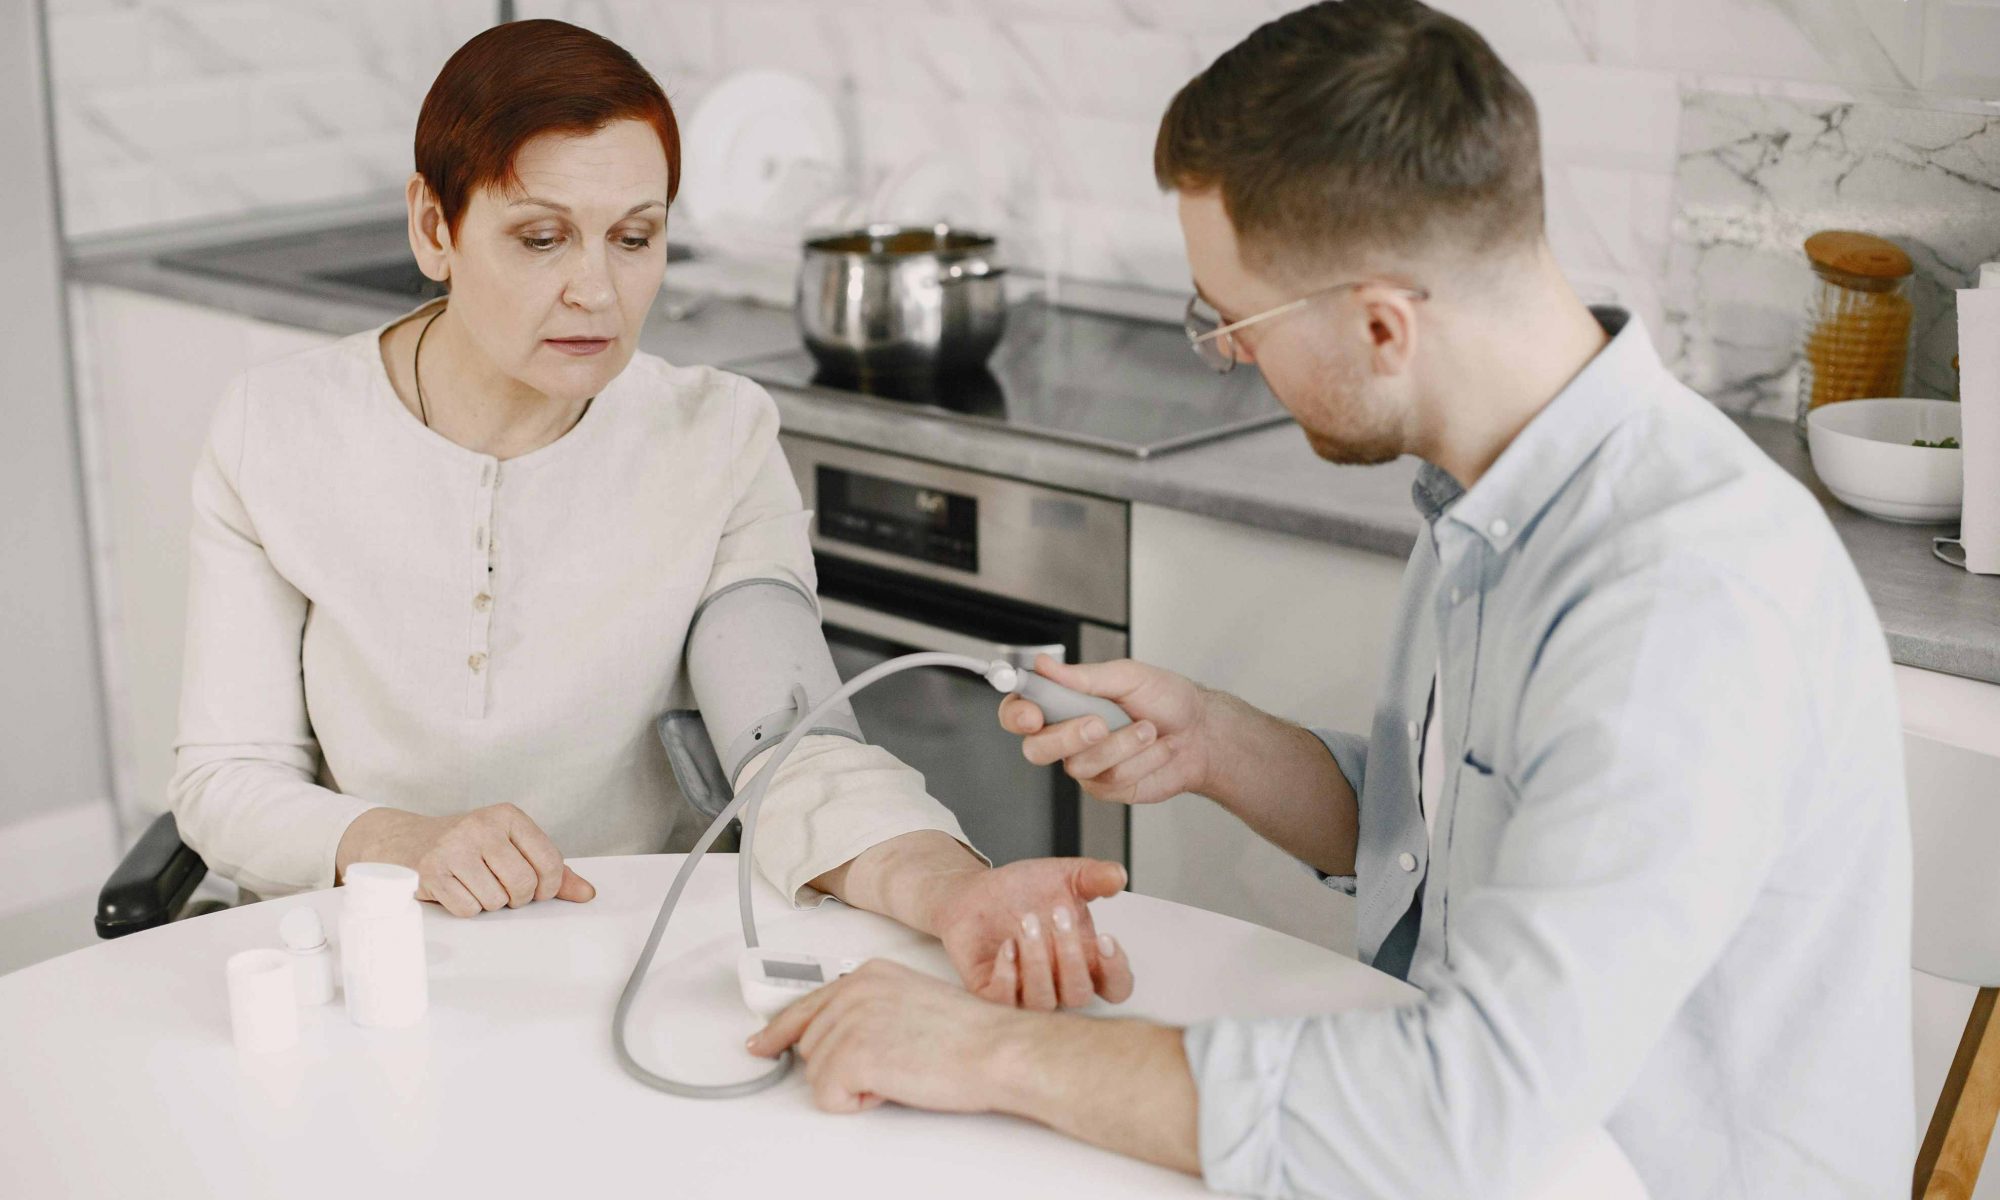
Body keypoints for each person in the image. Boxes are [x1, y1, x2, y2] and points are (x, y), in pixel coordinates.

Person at [747, 2, 1913, 1194]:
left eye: (1231, 321)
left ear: (1379, 323)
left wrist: (990, 1049)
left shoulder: (1678, 600)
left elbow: (1459, 1112)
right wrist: (1209, 740)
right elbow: (1446, 847)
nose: (1229, 356)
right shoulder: (1495, 494)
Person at [168, 19, 1131, 1012]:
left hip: (627, 970)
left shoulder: (714, 440)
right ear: (433, 228)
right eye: (541, 238)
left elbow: (792, 749)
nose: (596, 290)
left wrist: (954, 891)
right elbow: (227, 776)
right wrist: (390, 842)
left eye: (634, 237)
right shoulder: (275, 431)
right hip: (368, 968)